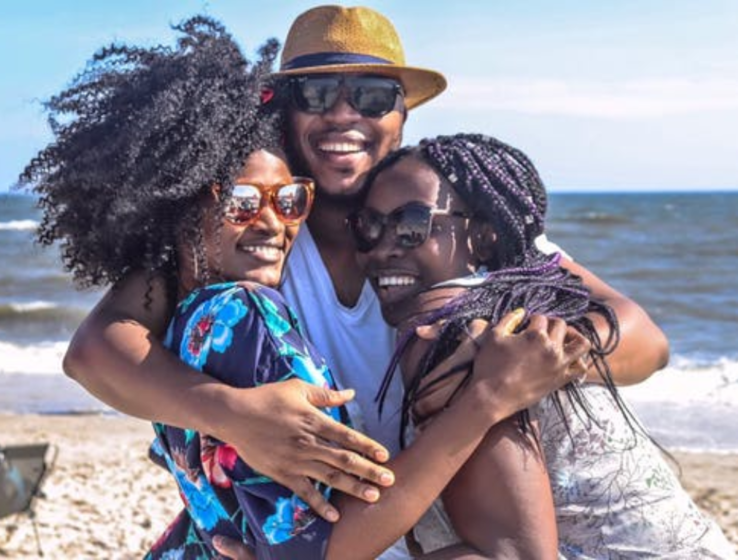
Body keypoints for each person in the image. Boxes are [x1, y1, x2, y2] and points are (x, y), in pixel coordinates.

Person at [58, 5, 669, 557]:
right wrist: (235, 415)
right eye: (318, 92)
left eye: (374, 96)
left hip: (430, 525)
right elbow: (96, 351)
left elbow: (643, 339)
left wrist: (524, 358)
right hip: (361, 529)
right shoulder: (255, 233)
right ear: (282, 109)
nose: (344, 114)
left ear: (402, 116)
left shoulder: (447, 225)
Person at [349, 133, 735, 558]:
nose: (382, 248)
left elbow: (515, 555)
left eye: (410, 225)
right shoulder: (530, 299)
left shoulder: (449, 335)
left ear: (485, 236)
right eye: (368, 226)